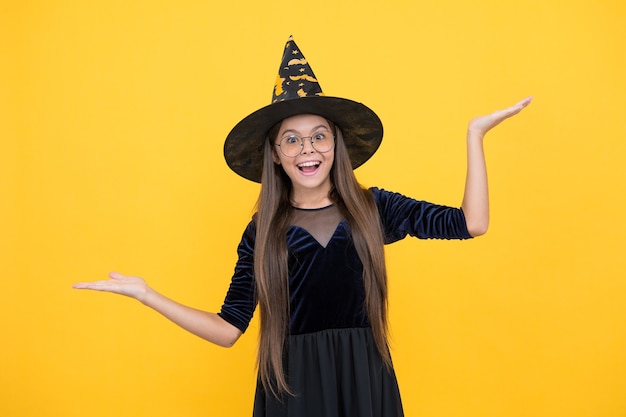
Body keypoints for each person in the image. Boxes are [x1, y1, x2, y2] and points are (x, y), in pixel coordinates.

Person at [73, 36, 532, 416]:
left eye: (318, 136)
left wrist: (475, 135)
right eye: (290, 139)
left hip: (364, 382)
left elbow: (472, 223)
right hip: (292, 390)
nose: (306, 149)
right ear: (274, 153)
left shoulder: (375, 208)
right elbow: (229, 328)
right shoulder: (262, 231)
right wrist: (146, 294)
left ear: (336, 145)